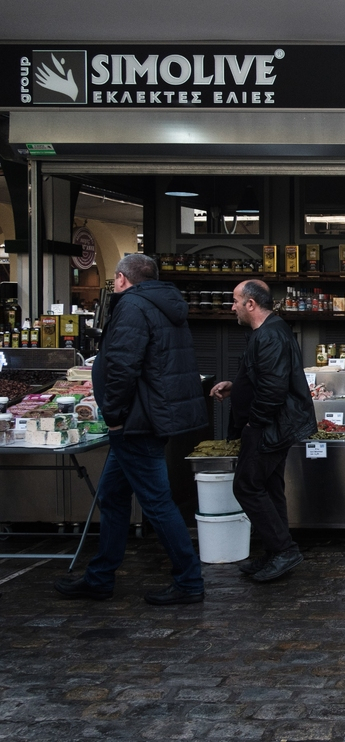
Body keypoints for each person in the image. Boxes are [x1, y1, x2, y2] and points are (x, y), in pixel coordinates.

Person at [54, 253, 207, 605]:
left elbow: (122, 365)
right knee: (113, 495)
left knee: (156, 502)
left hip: (137, 421)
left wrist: (115, 415)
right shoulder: (163, 304)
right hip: (150, 415)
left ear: (122, 279)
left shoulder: (133, 307)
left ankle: (189, 580)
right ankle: (100, 577)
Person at [210, 279, 317, 582]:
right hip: (273, 425)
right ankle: (275, 552)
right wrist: (237, 386)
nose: (232, 308)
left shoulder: (270, 336)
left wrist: (252, 423)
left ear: (251, 304)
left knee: (246, 486)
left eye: (235, 301)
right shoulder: (269, 332)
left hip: (269, 427)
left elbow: (273, 390)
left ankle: (283, 550)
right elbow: (264, 377)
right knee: (269, 487)